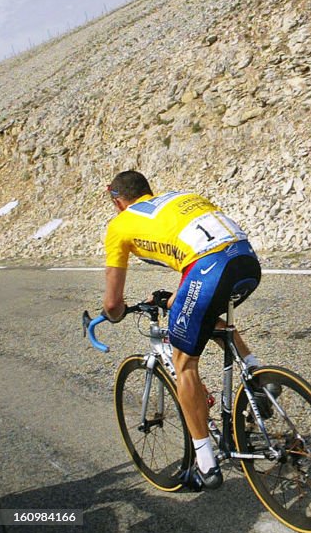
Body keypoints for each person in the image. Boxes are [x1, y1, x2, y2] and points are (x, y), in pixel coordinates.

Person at [101, 170, 265, 491]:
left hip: (208, 268)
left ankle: (206, 463)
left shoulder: (120, 224)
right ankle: (256, 371)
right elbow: (198, 251)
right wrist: (174, 298)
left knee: (183, 364)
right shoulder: (179, 198)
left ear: (118, 202)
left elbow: (112, 303)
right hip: (245, 259)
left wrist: (115, 312)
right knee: (203, 315)